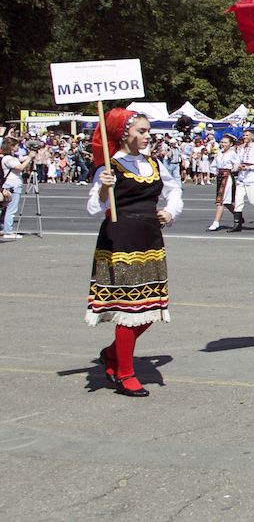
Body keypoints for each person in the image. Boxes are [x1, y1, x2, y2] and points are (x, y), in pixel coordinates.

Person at [86, 108, 183, 397]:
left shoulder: (152, 163)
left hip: (150, 239)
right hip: (121, 240)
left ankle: (113, 353)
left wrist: (169, 212)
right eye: (141, 131)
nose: (146, 137)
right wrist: (104, 190)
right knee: (129, 310)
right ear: (124, 133)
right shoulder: (109, 167)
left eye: (147, 131)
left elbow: (174, 189)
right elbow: (92, 209)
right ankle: (125, 373)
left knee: (151, 307)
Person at [231, 129, 254, 231]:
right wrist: (237, 167)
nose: (245, 137)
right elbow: (237, 160)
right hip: (242, 177)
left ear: (252, 136)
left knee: (253, 200)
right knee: (238, 200)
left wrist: (250, 167)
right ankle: (237, 224)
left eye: (247, 135)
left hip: (251, 175)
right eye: (244, 135)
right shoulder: (240, 148)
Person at [1, 139, 35, 241]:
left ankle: (4, 228)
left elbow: (21, 159)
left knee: (6, 209)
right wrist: (29, 157)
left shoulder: (12, 157)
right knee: (11, 209)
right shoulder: (8, 159)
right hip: (12, 184)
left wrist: (30, 156)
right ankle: (8, 231)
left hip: (12, 184)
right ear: (11, 147)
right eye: (16, 146)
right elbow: (20, 167)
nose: (18, 148)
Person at [207, 135, 237, 230]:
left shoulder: (232, 153)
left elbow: (237, 163)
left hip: (227, 177)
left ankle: (216, 222)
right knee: (225, 202)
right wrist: (214, 173)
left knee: (221, 201)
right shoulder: (219, 153)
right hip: (220, 176)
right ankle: (238, 216)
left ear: (230, 144)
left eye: (225, 142)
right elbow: (214, 165)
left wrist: (234, 168)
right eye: (222, 142)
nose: (223, 144)